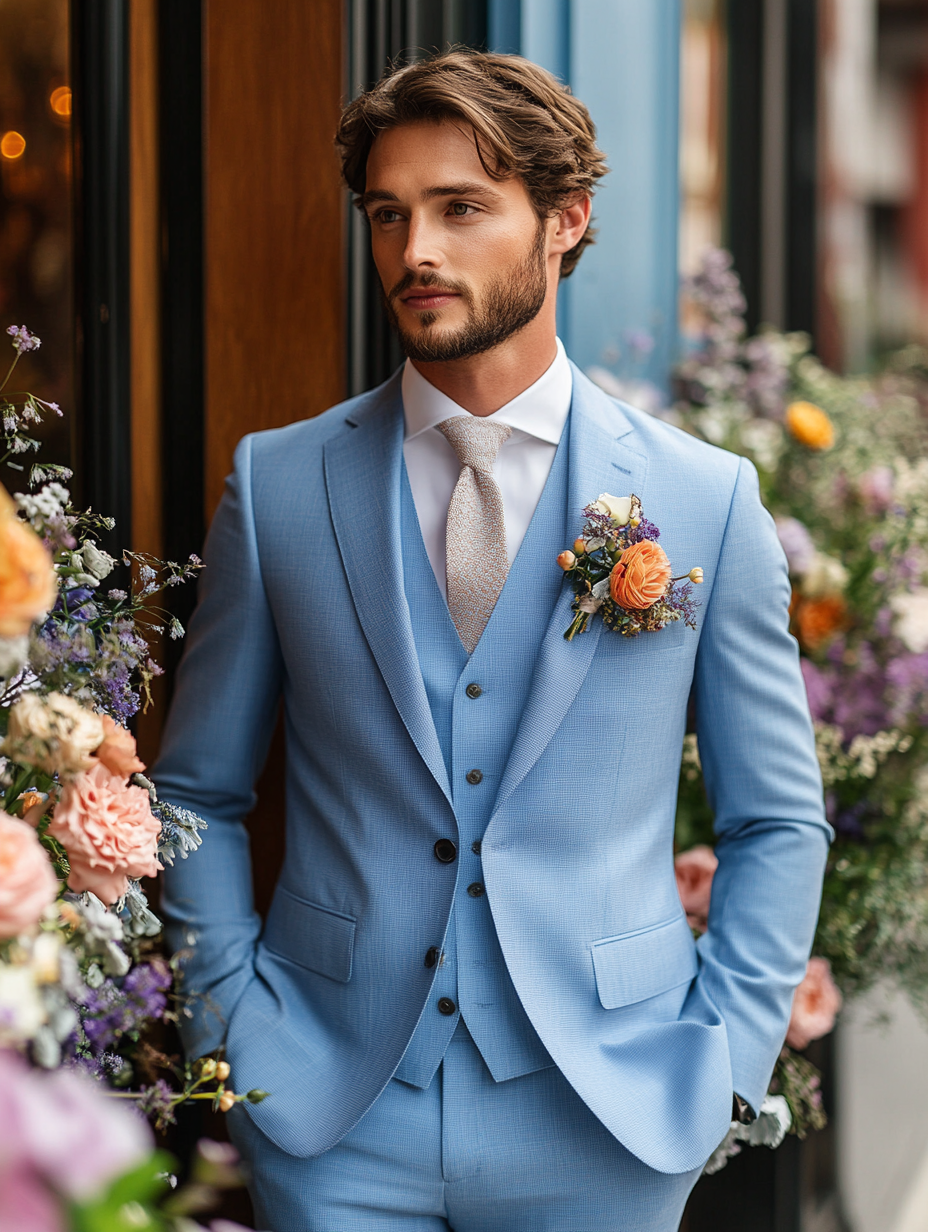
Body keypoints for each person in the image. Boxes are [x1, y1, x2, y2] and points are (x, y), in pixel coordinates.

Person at [154, 49, 830, 1232]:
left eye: (462, 208)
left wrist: (721, 1059)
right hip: (330, 1108)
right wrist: (229, 1022)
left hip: (606, 1115)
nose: (416, 250)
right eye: (389, 214)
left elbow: (775, 815)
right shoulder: (280, 484)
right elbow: (198, 788)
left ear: (564, 221)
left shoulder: (704, 498)